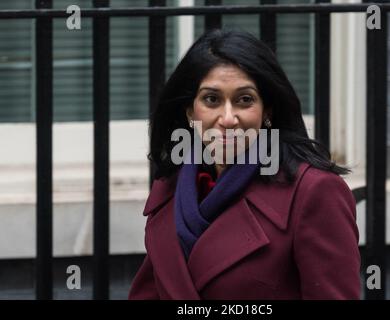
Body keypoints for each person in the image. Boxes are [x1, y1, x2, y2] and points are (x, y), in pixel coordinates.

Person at [128, 29, 360, 300]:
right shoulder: (170, 189)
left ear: (267, 112)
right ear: (191, 112)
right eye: (211, 99)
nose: (227, 118)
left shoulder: (314, 192)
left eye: (244, 100)